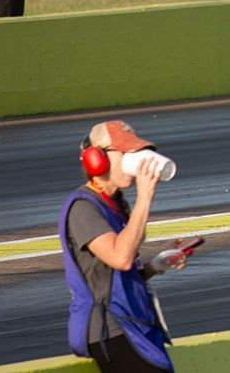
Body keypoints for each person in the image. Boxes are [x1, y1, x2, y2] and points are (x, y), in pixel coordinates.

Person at [59, 120, 187, 372]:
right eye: (127, 153)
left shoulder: (113, 205)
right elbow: (121, 258)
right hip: (113, 330)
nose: (136, 160)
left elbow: (115, 276)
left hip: (134, 326)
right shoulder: (83, 208)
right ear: (97, 158)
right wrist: (145, 198)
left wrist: (156, 265)